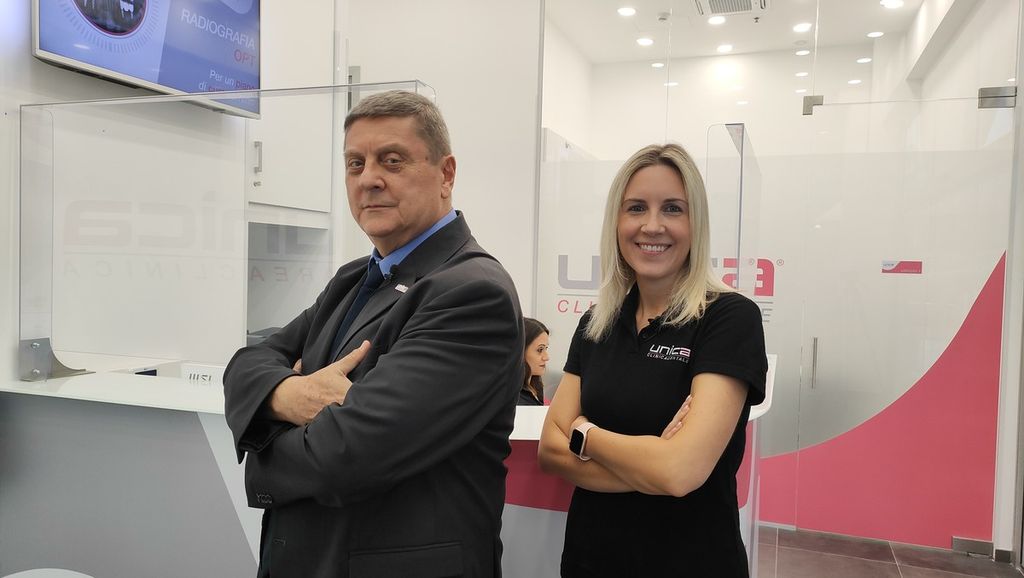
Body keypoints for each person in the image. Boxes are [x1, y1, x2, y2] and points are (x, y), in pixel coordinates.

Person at [223, 90, 524, 578]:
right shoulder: (353, 278)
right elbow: (247, 364)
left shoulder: (472, 293)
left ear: (446, 174)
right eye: (355, 164)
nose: (369, 180)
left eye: (392, 160)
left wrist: (258, 447)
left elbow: (345, 456)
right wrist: (289, 394)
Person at [537, 143, 767, 577]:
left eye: (673, 209)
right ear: (617, 221)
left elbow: (680, 471)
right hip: (591, 559)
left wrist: (585, 434)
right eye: (636, 207)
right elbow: (550, 450)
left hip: (691, 562)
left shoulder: (729, 318)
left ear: (696, 224)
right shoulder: (597, 322)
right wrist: (656, 465)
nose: (652, 225)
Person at [518, 318, 549, 405]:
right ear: (521, 351)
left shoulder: (536, 387)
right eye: (540, 350)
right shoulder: (513, 397)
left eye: (546, 348)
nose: (546, 357)